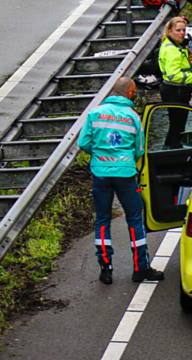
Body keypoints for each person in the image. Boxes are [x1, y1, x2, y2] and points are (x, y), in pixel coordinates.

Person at [78, 77, 164, 285]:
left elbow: (83, 143)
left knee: (102, 220)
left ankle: (106, 268)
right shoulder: (132, 117)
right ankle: (140, 268)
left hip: (100, 173)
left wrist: (100, 155)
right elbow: (139, 149)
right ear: (130, 93)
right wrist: (124, 161)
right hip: (125, 174)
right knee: (134, 219)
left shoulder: (94, 113)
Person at [158, 17, 192, 149]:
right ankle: (174, 152)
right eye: (178, 30)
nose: (182, 33)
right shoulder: (172, 50)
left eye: (183, 30)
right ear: (169, 32)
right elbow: (173, 75)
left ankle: (169, 149)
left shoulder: (173, 45)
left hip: (174, 90)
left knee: (175, 124)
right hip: (176, 90)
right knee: (178, 125)